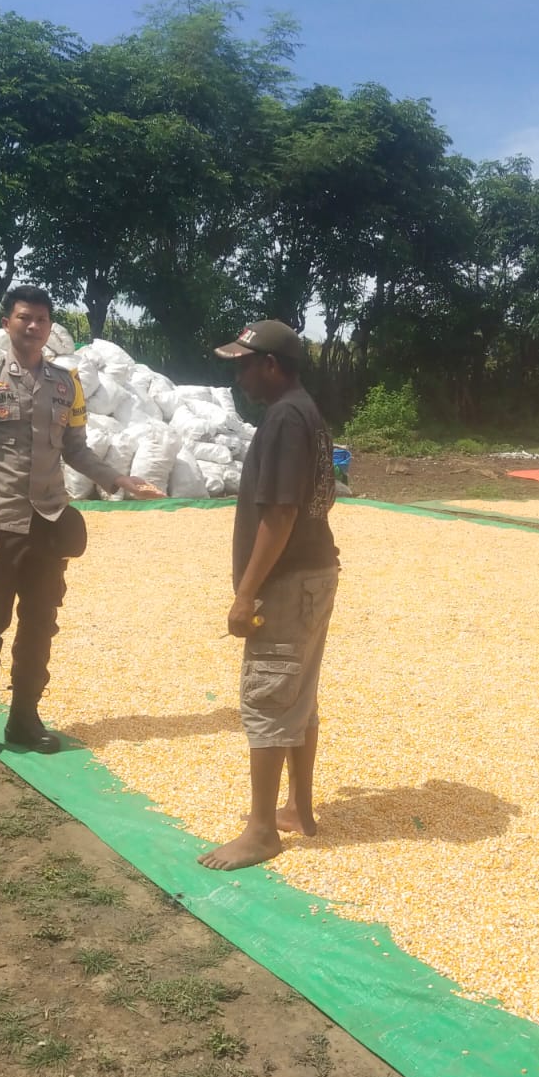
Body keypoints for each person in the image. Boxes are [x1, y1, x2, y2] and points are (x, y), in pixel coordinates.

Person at [0, 285, 163, 769]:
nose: (34, 326)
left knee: (40, 624)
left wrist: (118, 478)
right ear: (7, 322)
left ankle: (24, 717)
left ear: (49, 327)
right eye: (24, 317)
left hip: (48, 524)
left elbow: (76, 449)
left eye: (42, 320)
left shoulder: (65, 384)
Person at [199, 320, 339, 872]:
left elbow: (280, 515)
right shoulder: (306, 411)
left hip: (286, 581)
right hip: (316, 572)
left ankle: (261, 832)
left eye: (245, 365)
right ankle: (298, 809)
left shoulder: (283, 418)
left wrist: (246, 593)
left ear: (271, 366)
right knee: (297, 693)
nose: (239, 377)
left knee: (269, 695)